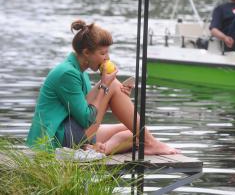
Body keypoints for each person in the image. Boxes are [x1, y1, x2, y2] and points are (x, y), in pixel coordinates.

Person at [27, 20, 179, 156]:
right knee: (112, 85)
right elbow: (87, 119)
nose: (107, 58)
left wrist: (115, 97)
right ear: (86, 52)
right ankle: (151, 144)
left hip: (73, 133)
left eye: (107, 52)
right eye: (102, 53)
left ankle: (101, 149)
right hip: (56, 138)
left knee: (135, 133)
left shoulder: (80, 73)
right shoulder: (67, 73)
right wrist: (106, 86)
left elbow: (93, 112)